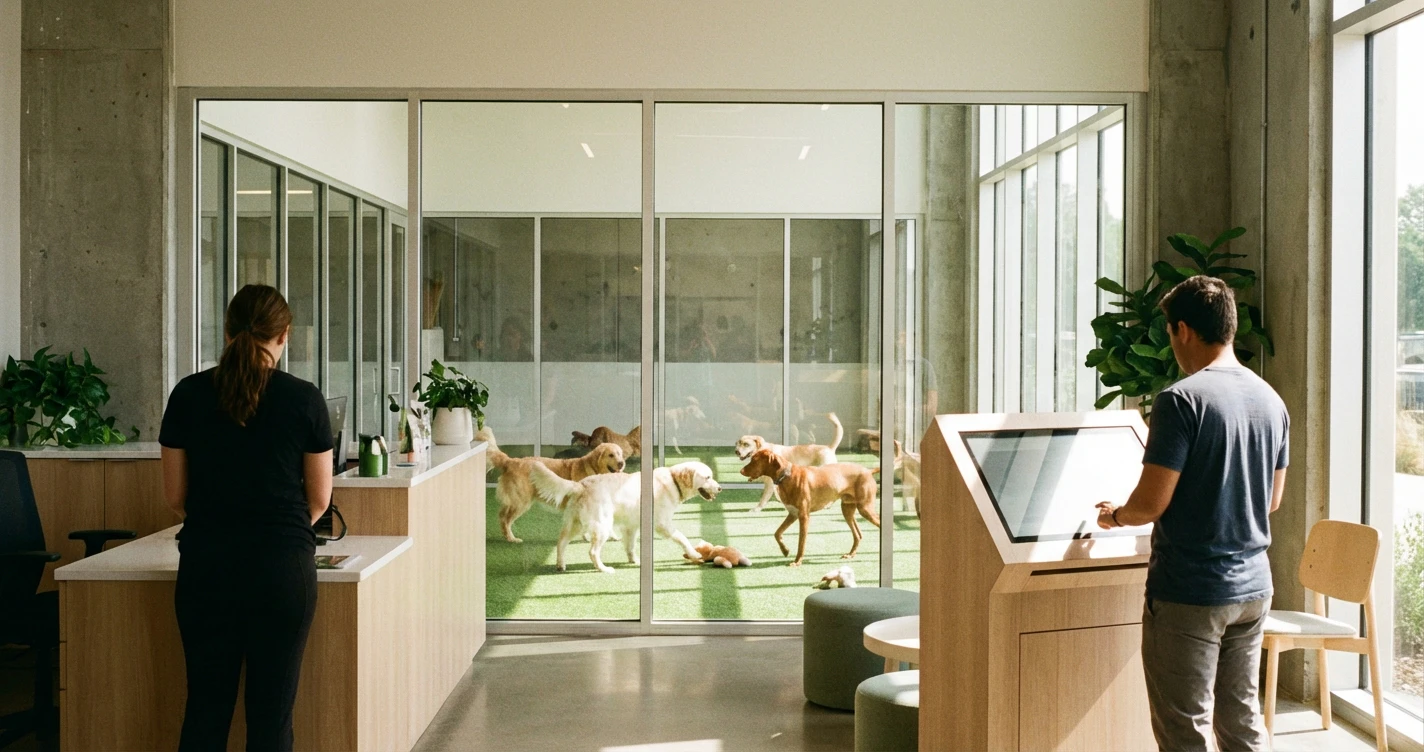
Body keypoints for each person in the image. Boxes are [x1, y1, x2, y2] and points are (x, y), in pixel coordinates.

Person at [1095, 275, 1289, 752]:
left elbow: (1150, 503)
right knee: (1242, 723)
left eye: (1167, 330)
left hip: (1190, 592)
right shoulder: (1271, 400)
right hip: (1253, 589)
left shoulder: (1181, 400)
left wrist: (1115, 515)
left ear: (1183, 330)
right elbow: (1271, 501)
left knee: (1185, 730)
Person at [159, 285, 334, 751]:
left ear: (229, 329)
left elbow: (175, 496)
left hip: (206, 567)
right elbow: (318, 501)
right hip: (281, 571)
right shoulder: (304, 399)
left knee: (205, 711)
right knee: (271, 718)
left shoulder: (188, 394)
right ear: (285, 336)